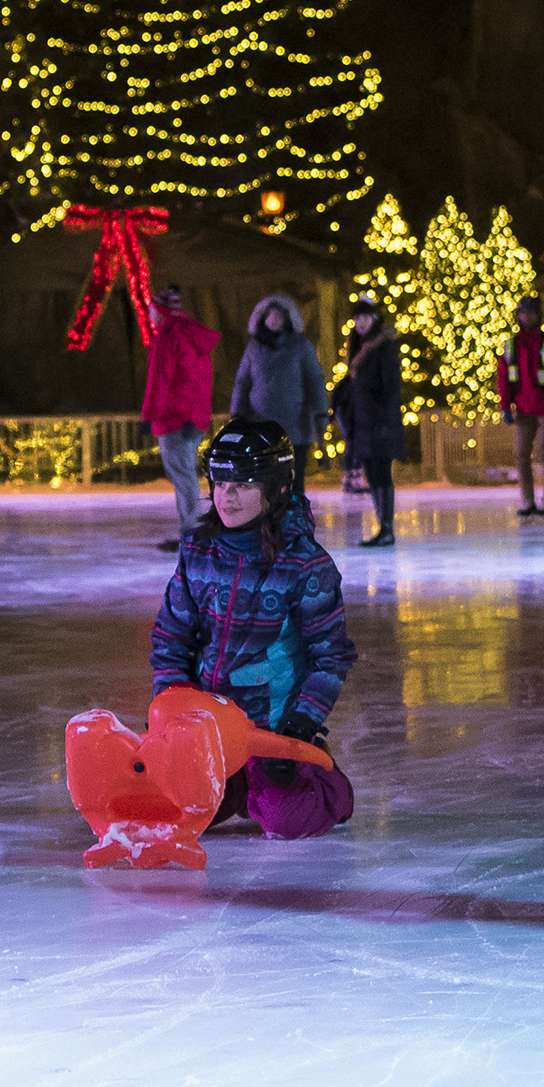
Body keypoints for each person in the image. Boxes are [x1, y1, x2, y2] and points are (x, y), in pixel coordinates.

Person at [150, 417, 359, 838]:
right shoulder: (198, 551)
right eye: (221, 483)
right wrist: (174, 701)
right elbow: (171, 636)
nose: (227, 497)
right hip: (210, 727)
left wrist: (300, 727)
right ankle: (236, 785)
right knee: (173, 812)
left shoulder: (305, 565)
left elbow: (330, 656)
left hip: (273, 730)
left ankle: (328, 784)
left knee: (284, 821)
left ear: (277, 488)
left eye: (243, 485)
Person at [140, 282, 222, 552]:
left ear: (161, 311)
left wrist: (148, 417)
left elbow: (159, 381)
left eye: (152, 309)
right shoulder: (191, 335)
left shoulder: (168, 337)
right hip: (192, 418)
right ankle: (192, 530)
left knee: (182, 476)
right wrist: (196, 416)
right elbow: (199, 382)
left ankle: (193, 533)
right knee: (185, 475)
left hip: (174, 418)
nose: (149, 314)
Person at [331, 300, 403, 547]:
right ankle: (383, 525)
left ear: (374, 318)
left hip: (380, 421)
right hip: (363, 421)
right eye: (357, 318)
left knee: (382, 472)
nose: (360, 322)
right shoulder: (357, 345)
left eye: (365, 317)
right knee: (372, 473)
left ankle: (387, 527)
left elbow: (390, 386)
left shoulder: (385, 346)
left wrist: (383, 418)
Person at [496, 297, 544, 516]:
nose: (526, 316)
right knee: (520, 454)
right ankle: (527, 500)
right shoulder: (511, 345)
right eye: (523, 313)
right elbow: (503, 377)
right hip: (523, 408)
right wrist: (506, 406)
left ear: (538, 315)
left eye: (530, 312)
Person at [229, 293, 329, 450]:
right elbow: (242, 381)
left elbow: (315, 380)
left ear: (287, 318)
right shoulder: (254, 348)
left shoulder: (301, 346)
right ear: (263, 318)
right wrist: (236, 412)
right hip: (260, 424)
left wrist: (321, 414)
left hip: (296, 425)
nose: (274, 319)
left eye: (279, 315)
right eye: (270, 315)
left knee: (294, 472)